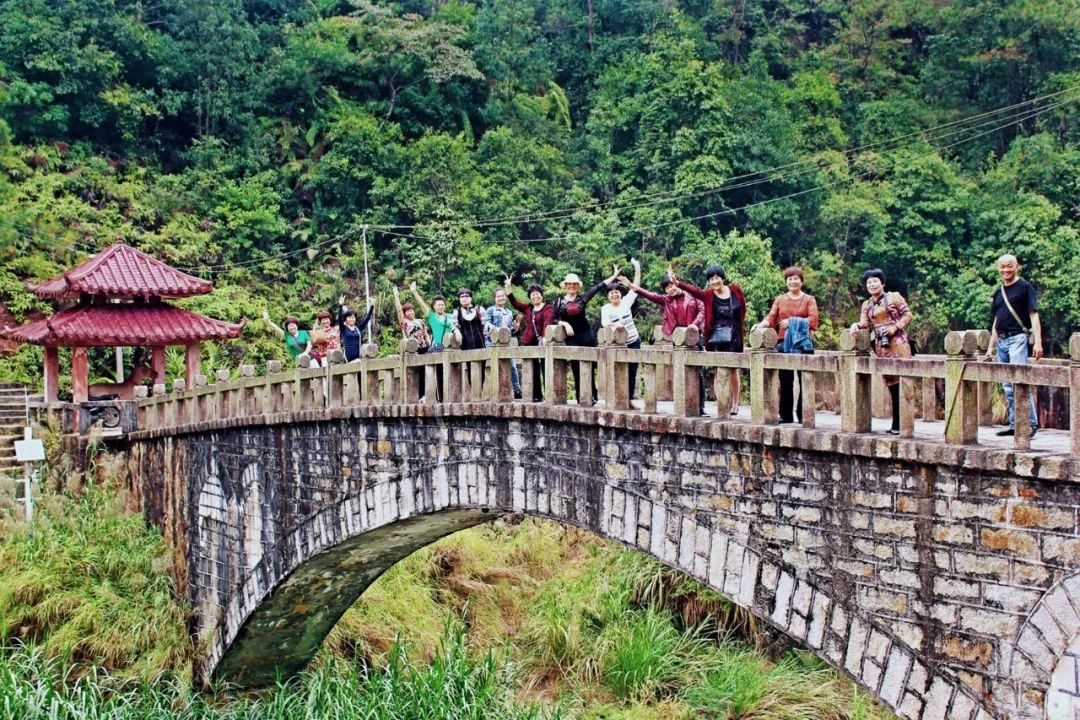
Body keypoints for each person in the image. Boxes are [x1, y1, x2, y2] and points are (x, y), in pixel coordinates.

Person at [621, 272, 706, 412]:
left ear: (677, 283)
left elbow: (702, 311)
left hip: (694, 337)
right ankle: (686, 404)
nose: (670, 289)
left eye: (671, 285)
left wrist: (695, 325)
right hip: (678, 339)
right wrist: (633, 287)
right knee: (681, 371)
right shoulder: (667, 300)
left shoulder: (692, 295)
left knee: (698, 372)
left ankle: (700, 405)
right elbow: (650, 295)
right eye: (666, 288)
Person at [671, 265, 747, 415]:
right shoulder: (708, 295)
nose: (715, 281)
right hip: (717, 336)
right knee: (720, 369)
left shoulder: (735, 290)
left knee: (733, 370)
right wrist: (678, 283)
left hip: (735, 336)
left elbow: (742, 309)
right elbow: (695, 291)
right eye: (711, 279)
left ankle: (735, 403)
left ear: (722, 278)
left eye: (717, 277)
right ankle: (722, 402)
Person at [983, 254, 1041, 437]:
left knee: (1019, 382)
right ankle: (1016, 424)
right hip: (1001, 341)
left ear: (1017, 266)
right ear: (998, 268)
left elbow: (1033, 315)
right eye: (1002, 267)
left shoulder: (1025, 287)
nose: (1006, 270)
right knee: (1007, 385)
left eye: (1009, 266)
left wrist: (1038, 342)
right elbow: (996, 320)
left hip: (1017, 339)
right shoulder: (998, 291)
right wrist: (990, 346)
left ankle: (1030, 424)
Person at [849, 269, 912, 435]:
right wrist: (856, 325)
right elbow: (864, 323)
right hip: (880, 344)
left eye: (875, 281)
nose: (872, 284)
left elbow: (907, 315)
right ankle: (896, 423)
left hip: (897, 342)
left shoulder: (894, 297)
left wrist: (894, 328)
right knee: (890, 383)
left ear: (882, 283)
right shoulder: (867, 304)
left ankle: (903, 424)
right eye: (869, 282)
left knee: (901, 381)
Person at [753, 267, 819, 424]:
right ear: (786, 281)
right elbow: (771, 317)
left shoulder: (809, 299)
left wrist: (791, 322)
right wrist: (760, 325)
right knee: (785, 380)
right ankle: (785, 415)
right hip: (783, 342)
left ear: (801, 281)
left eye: (796, 278)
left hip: (803, 343)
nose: (793, 281)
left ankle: (804, 414)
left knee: (805, 379)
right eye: (790, 279)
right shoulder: (780, 299)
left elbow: (813, 321)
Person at [555, 268, 618, 402]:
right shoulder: (559, 301)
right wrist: (564, 324)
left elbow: (598, 287)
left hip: (586, 336)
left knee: (590, 367)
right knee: (576, 368)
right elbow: (553, 318)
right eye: (569, 284)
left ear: (577, 286)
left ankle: (593, 396)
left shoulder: (582, 298)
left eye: (574, 284)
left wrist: (614, 275)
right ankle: (581, 397)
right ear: (565, 286)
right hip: (571, 338)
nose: (571, 286)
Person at [507, 278, 555, 401]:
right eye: (533, 295)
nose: (535, 296)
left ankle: (550, 395)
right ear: (530, 297)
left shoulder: (548, 308)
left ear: (542, 296)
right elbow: (515, 303)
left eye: (537, 294)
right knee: (533, 368)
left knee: (546, 367)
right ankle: (537, 395)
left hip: (544, 341)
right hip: (530, 342)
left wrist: (545, 336)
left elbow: (547, 321)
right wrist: (509, 289)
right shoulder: (528, 308)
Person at [605, 258, 643, 399]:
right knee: (620, 369)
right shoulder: (606, 309)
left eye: (617, 292)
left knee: (633, 369)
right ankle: (620, 396)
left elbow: (636, 286)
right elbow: (605, 323)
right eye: (611, 293)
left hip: (633, 340)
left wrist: (637, 268)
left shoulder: (626, 302)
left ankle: (631, 396)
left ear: (620, 293)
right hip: (618, 344)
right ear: (608, 296)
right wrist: (616, 325)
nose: (615, 294)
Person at [484, 286, 521, 398]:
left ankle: (517, 390)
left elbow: (510, 330)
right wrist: (496, 330)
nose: (501, 298)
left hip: (506, 344)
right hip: (493, 343)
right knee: (496, 367)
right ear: (494, 298)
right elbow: (486, 324)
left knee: (513, 367)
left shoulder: (509, 312)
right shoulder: (490, 310)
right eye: (498, 296)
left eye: (503, 296)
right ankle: (496, 392)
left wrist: (516, 327)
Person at [409, 282, 454, 351]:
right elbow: (422, 304)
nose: (441, 307)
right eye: (439, 305)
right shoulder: (432, 317)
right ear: (434, 306)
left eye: (442, 305)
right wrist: (414, 292)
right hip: (437, 348)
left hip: (451, 348)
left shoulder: (450, 316)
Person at [338, 295, 375, 363]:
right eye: (349, 317)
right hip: (348, 358)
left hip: (359, 357)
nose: (351, 319)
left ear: (355, 319)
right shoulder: (344, 329)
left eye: (353, 317)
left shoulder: (358, 328)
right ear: (346, 319)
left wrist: (372, 306)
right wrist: (340, 305)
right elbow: (340, 319)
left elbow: (367, 318)